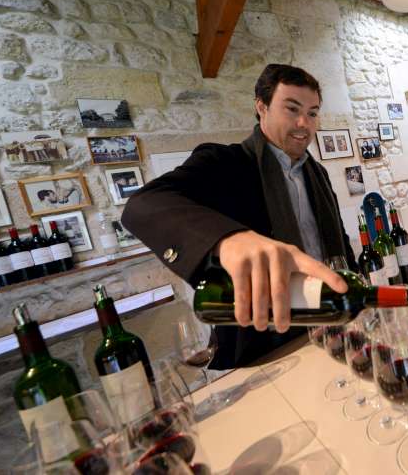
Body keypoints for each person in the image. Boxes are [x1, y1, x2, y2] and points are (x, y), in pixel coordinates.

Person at [122, 64, 354, 368]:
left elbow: (338, 241)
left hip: (332, 320)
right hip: (265, 340)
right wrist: (228, 239)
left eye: (312, 112)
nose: (303, 123)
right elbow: (143, 204)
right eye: (292, 108)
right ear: (262, 107)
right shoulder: (224, 164)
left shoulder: (318, 173)